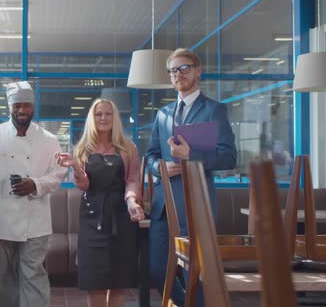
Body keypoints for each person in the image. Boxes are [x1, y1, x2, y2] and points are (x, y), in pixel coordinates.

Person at [145, 48, 237, 306]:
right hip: (164, 208)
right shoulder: (162, 114)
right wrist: (160, 167)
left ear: (198, 71)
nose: (178, 74)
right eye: (173, 70)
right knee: (157, 271)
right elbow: (151, 155)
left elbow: (229, 157)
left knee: (195, 273)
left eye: (184, 68)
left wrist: (191, 154)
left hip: (197, 207)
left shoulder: (215, 110)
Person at [0, 81, 66, 307]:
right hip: (0, 220)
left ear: (33, 107)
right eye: (17, 106)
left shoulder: (49, 139)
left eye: (26, 105)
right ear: (9, 107)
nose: (22, 111)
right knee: (2, 279)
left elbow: (58, 175)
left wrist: (34, 184)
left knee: (34, 276)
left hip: (36, 220)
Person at [56, 98, 145, 307]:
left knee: (118, 282)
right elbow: (84, 185)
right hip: (92, 218)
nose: (103, 118)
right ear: (92, 119)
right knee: (95, 282)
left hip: (122, 218)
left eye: (108, 113)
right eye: (98, 114)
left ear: (115, 118)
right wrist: (76, 167)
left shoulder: (127, 147)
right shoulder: (82, 149)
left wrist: (132, 201)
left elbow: (133, 180)